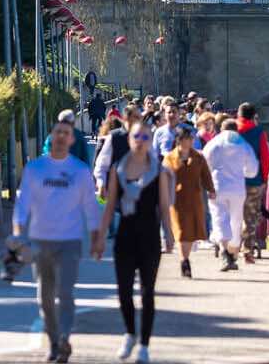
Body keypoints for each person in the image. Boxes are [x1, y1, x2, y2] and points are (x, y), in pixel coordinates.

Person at [13, 121, 103, 363]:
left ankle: (63, 337)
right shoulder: (35, 169)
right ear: (51, 137)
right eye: (57, 133)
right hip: (40, 240)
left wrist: (96, 238)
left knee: (64, 292)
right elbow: (22, 207)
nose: (62, 137)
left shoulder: (80, 171)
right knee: (44, 295)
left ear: (72, 140)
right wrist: (18, 237)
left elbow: (91, 208)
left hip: (70, 241)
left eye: (66, 134)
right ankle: (53, 341)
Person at [96, 114, 173, 364]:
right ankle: (130, 332)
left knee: (148, 292)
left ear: (151, 141)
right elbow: (109, 207)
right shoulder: (118, 170)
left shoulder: (159, 172)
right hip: (125, 237)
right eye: (136, 136)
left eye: (145, 137)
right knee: (124, 292)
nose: (140, 140)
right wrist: (99, 237)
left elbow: (163, 206)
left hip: (149, 238)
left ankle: (144, 345)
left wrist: (169, 235)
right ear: (128, 139)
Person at [201, 118, 260, 271]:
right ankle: (233, 253)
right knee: (236, 221)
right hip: (237, 188)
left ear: (221, 128)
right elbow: (253, 170)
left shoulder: (213, 143)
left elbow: (204, 164)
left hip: (217, 186)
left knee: (219, 218)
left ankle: (224, 251)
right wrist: (242, 172)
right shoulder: (243, 144)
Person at [162, 125, 215, 278]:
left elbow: (206, 175)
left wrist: (211, 189)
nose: (192, 141)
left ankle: (185, 257)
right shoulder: (169, 158)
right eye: (189, 138)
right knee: (181, 231)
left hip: (194, 198)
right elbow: (163, 179)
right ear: (180, 140)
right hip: (176, 200)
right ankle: (184, 260)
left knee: (191, 232)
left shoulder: (198, 157)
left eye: (192, 138)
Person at [235, 102, 269, 263]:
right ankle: (248, 250)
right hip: (253, 180)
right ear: (253, 116)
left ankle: (230, 248)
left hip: (232, 179)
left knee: (233, 215)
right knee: (249, 217)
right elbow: (265, 157)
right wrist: (264, 178)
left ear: (239, 114)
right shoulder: (258, 132)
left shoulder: (232, 130)